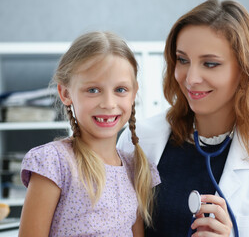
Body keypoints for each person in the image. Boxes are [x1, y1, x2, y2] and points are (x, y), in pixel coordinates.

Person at [117, 0, 249, 237]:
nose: (191, 78)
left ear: (245, 71)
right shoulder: (137, 140)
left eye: (210, 63)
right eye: (183, 60)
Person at [18, 31, 160, 237]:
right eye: (93, 90)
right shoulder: (54, 163)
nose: (108, 104)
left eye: (120, 89)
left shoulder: (136, 169)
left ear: (133, 94)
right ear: (66, 93)